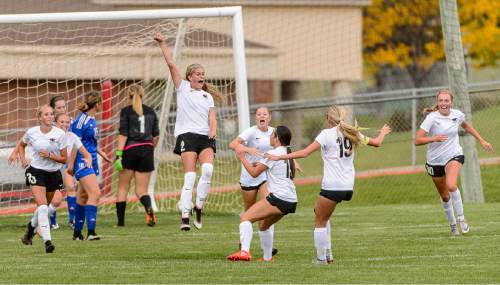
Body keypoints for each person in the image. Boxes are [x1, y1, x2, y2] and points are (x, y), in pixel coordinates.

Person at [266, 106, 391, 264]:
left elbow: (305, 153)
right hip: (347, 186)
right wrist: (383, 133)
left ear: (329, 120)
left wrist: (280, 157)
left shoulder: (326, 134)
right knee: (321, 213)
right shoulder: (353, 132)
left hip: (332, 185)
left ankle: (320, 259)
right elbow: (377, 143)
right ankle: (328, 254)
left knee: (319, 222)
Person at [154, 32, 222, 231]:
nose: (201, 76)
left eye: (203, 74)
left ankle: (199, 206)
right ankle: (185, 215)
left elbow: (212, 118)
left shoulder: (207, 96)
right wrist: (163, 43)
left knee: (208, 170)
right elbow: (171, 64)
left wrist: (213, 130)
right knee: (190, 177)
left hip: (205, 137)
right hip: (187, 136)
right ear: (190, 76)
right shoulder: (182, 87)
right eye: (198, 74)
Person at [414, 89, 492, 236]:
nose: (443, 103)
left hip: (454, 155)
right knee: (444, 196)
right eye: (441, 100)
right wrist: (433, 139)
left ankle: (462, 218)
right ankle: (453, 226)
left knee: (451, 185)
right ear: (438, 102)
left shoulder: (457, 114)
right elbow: (417, 140)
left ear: (451, 102)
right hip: (434, 161)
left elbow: (467, 126)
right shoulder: (432, 118)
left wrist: (481, 140)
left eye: (446, 100)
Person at [227, 126, 296, 262]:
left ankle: (244, 252)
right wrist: (263, 163)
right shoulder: (288, 152)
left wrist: (242, 157)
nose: (269, 137)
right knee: (264, 226)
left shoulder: (272, 153)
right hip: (292, 200)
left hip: (279, 198)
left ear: (277, 138)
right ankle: (267, 258)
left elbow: (253, 174)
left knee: (245, 218)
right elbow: (289, 172)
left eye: (272, 135)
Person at [8, 95, 71, 229]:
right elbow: (24, 140)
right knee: (51, 201)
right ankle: (46, 225)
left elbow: (76, 141)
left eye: (63, 107)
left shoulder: (65, 124)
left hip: (59, 167)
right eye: (58, 107)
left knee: (55, 199)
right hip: (40, 170)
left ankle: (36, 225)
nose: (61, 109)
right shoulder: (44, 127)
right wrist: (16, 153)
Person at [229, 106, 278, 256]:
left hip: (264, 175)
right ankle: (243, 244)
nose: (261, 116)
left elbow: (284, 148)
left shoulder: (274, 132)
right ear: (256, 117)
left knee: (267, 207)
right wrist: (248, 150)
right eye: (258, 114)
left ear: (269, 117)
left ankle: (267, 246)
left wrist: (293, 161)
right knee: (249, 212)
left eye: (264, 114)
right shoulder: (250, 132)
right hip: (249, 177)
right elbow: (233, 144)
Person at [18, 105, 67, 253]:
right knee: (43, 206)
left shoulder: (60, 134)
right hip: (36, 171)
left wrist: (51, 156)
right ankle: (48, 242)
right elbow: (21, 145)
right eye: (46, 114)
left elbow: (65, 159)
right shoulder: (32, 132)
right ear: (39, 117)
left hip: (53, 174)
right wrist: (23, 159)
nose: (50, 117)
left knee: (44, 208)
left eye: (52, 114)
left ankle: (30, 227)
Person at [114, 85, 159, 227]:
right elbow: (155, 136)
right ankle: (149, 208)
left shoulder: (126, 111)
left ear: (129, 96)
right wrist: (149, 148)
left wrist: (118, 155)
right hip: (147, 151)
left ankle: (120, 223)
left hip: (129, 150)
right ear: (142, 95)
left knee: (122, 188)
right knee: (141, 191)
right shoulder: (151, 111)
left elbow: (123, 134)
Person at [69, 91, 111, 241]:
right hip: (82, 161)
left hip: (91, 161)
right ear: (98, 104)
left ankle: (77, 233)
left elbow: (90, 143)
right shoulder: (81, 121)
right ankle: (91, 232)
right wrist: (71, 165)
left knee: (83, 196)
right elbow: (75, 144)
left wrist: (101, 153)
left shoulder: (92, 120)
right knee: (95, 193)